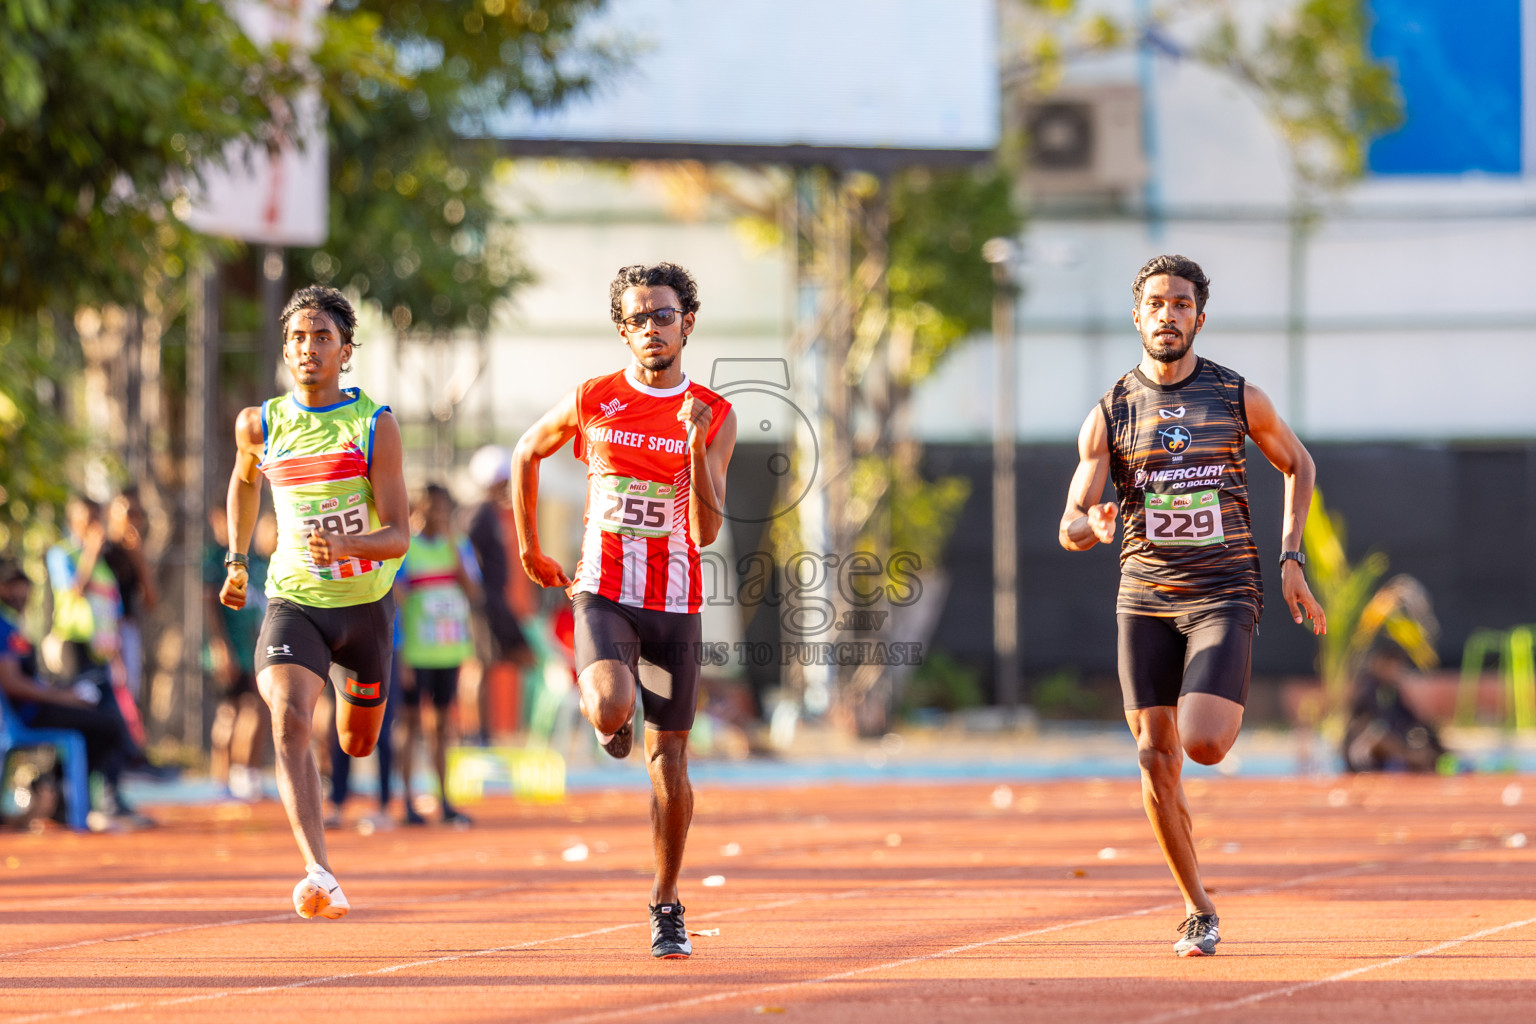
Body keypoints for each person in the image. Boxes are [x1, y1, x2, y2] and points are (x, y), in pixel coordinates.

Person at [1058, 254, 1327, 957]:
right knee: (1154, 756)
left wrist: (1291, 557)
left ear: (1198, 318)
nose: (1168, 314)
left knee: (1203, 744)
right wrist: (1095, 526)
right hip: (1144, 595)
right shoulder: (1111, 411)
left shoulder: (1237, 397)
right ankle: (1196, 907)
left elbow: (1298, 463)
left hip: (1222, 591)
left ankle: (1198, 887)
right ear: (1139, 316)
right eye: (1156, 303)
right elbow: (1070, 522)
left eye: (1181, 304)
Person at [514, 262, 737, 959]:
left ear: (687, 324)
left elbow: (705, 530)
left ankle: (666, 900)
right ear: (622, 330)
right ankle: (613, 717)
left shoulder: (714, 412)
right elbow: (527, 450)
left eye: (662, 315)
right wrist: (528, 548)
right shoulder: (593, 398)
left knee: (670, 762)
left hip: (675, 604)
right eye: (637, 318)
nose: (651, 328)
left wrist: (696, 444)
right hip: (604, 592)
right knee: (610, 707)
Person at [218, 284, 410, 920]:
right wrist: (238, 559)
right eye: (298, 337)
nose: (308, 348)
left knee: (356, 742)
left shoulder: (373, 425)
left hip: (365, 609)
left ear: (345, 351)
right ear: (284, 349)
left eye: (322, 337)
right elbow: (244, 483)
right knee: (288, 717)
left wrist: (348, 541)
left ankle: (352, 742)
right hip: (294, 600)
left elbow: (400, 534)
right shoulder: (261, 423)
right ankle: (320, 873)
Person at [0, 556, 144, 828]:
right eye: (10, 586)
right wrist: (63, 697)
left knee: (101, 714)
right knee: (109, 725)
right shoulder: (2, 626)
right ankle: (61, 792)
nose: (19, 593)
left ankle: (57, 791)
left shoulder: (15, 623)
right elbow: (12, 684)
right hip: (26, 716)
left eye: (23, 585)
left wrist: (60, 690)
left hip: (36, 707)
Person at [396, 483, 480, 826]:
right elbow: (396, 600)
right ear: (420, 508)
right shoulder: (406, 549)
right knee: (411, 724)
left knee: (442, 724)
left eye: (445, 509)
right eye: (433, 508)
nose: (439, 515)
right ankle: (407, 800)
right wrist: (399, 650)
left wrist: (454, 549)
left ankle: (444, 799)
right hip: (415, 651)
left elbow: (474, 591)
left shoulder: (459, 546)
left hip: (449, 649)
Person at [204, 508, 273, 801]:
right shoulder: (216, 558)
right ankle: (222, 780)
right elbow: (209, 603)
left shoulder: (256, 560)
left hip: (253, 649)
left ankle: (245, 774)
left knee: (254, 710)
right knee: (229, 712)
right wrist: (221, 646)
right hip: (229, 650)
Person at [464, 444, 531, 743]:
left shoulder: (488, 513)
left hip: (492, 599)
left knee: (508, 659)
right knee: (483, 663)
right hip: (485, 601)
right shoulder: (478, 514)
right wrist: (473, 589)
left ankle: (493, 730)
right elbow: (460, 549)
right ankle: (479, 732)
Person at [45, 496, 122, 680]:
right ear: (74, 521)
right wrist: (91, 552)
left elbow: (113, 604)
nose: (94, 525)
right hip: (75, 642)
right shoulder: (61, 553)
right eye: (89, 519)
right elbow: (76, 590)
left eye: (97, 519)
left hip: (102, 647)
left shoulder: (103, 561)